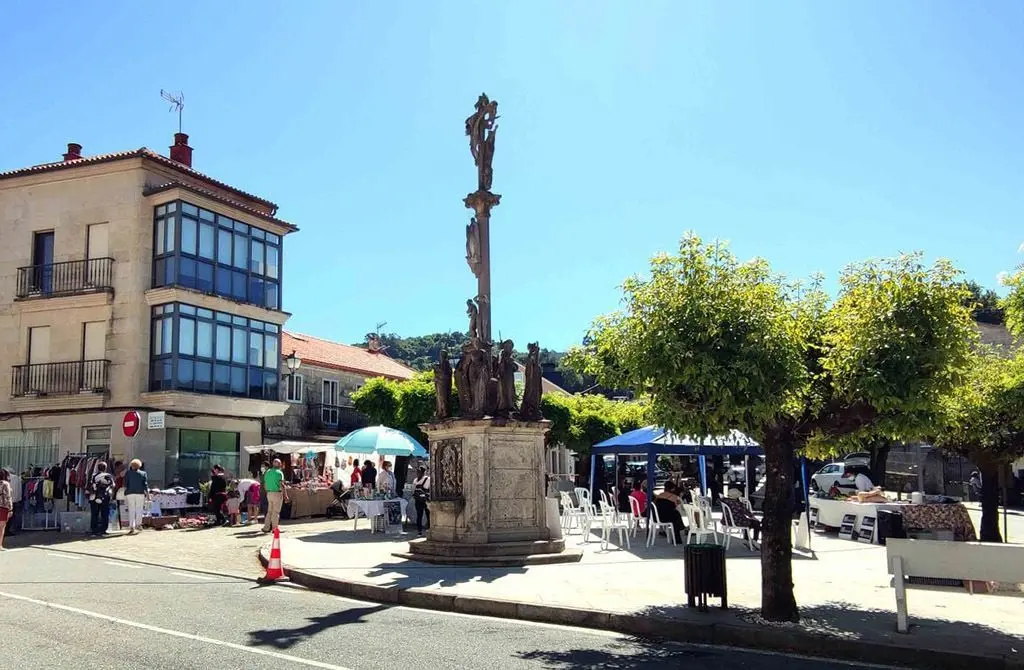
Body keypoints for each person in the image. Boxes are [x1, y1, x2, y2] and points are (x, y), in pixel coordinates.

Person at [262, 458, 289, 534]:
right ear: (279, 465)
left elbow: (264, 483)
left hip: (269, 493)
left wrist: (267, 491)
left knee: (269, 511)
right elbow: (282, 485)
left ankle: (266, 527)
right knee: (276, 512)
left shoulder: (267, 472)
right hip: (277, 493)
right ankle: (275, 528)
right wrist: (285, 495)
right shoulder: (279, 473)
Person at [124, 459, 149, 535]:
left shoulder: (128, 473)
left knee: (131, 509)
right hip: (140, 493)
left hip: (130, 493)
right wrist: (147, 494)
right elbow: (145, 485)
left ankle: (131, 526)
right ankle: (138, 524)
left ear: (131, 465)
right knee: (139, 509)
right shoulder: (143, 473)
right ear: (139, 465)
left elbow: (125, 484)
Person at [90, 462, 114, 537]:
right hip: (105, 496)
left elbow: (90, 485)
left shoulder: (94, 476)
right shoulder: (108, 476)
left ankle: (94, 531)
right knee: (105, 513)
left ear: (98, 468)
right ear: (105, 468)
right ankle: (103, 531)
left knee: (94, 514)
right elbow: (112, 485)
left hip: (94, 496)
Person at [413, 466, 430, 535]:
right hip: (425, 499)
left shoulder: (415, 480)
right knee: (427, 515)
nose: (418, 473)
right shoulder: (428, 479)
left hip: (419, 499)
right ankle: (428, 529)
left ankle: (419, 531)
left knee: (420, 515)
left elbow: (413, 490)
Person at [0, 468, 12, 550]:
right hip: (3, 507)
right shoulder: (5, 484)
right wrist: (10, 509)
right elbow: (8, 497)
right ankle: (0, 545)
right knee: (1, 527)